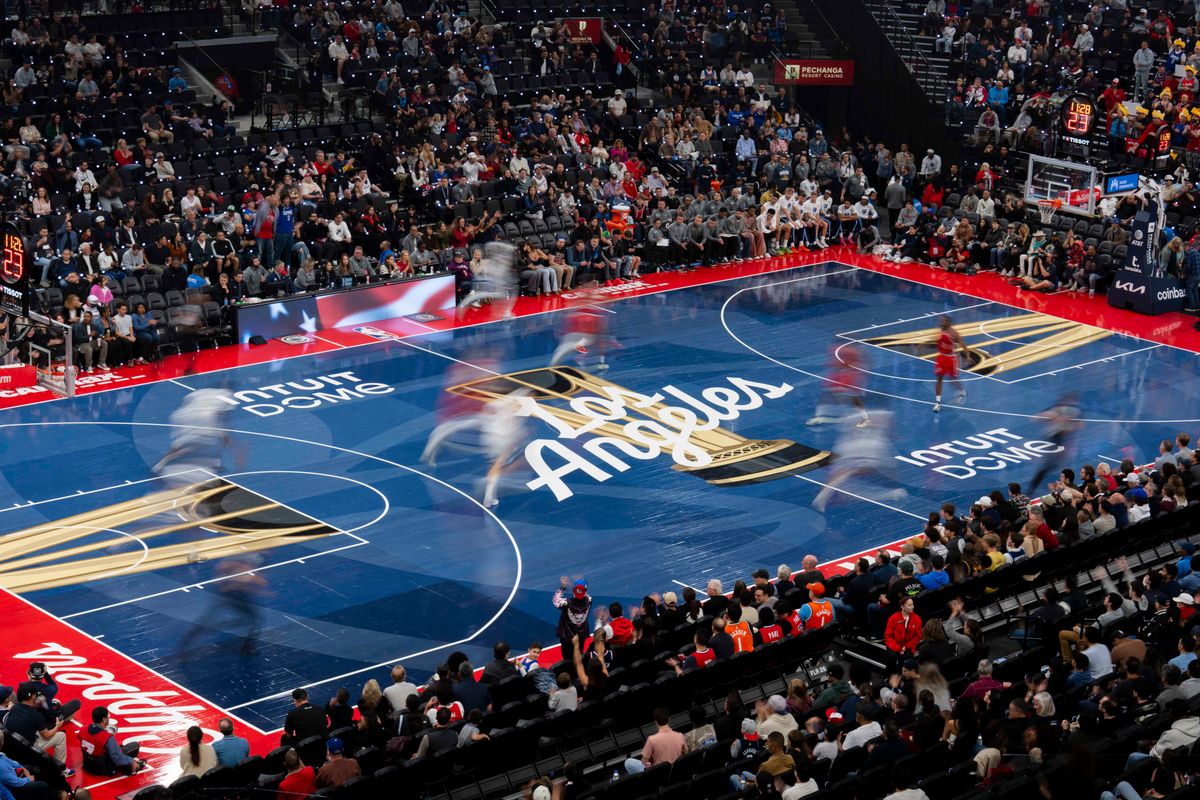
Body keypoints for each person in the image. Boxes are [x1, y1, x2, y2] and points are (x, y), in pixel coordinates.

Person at [1, 684, 72, 776]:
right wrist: (57, 726)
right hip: (28, 750)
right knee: (61, 736)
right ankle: (60, 770)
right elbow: (46, 736)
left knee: (38, 730)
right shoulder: (36, 716)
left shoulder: (13, 708)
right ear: (34, 696)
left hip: (14, 745)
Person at [80, 706, 143, 776]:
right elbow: (118, 758)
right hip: (101, 767)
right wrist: (132, 761)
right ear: (104, 719)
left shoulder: (83, 729)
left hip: (87, 764)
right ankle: (134, 766)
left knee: (112, 748)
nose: (108, 718)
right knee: (135, 746)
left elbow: (86, 739)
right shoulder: (106, 736)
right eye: (108, 716)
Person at [623, 707, 688, 774]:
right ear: (669, 719)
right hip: (678, 772)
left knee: (628, 762)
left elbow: (645, 763)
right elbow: (686, 754)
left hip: (661, 773)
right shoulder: (680, 736)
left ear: (656, 722)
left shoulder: (652, 740)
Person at [931, 315, 970, 412]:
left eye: (943, 321)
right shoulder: (940, 330)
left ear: (948, 323)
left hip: (950, 359)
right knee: (939, 379)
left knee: (953, 378)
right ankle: (937, 403)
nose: (941, 322)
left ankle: (962, 392)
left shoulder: (954, 333)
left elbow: (964, 346)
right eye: (941, 320)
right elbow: (936, 340)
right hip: (941, 357)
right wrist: (922, 344)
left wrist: (968, 357)